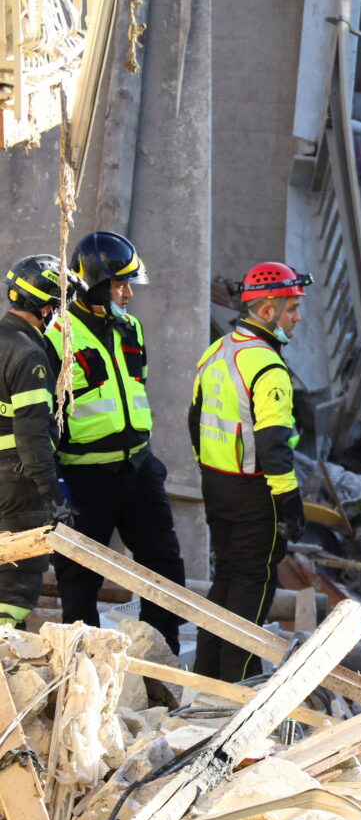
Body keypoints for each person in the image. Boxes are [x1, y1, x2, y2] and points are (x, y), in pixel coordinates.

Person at [45, 232, 184, 653]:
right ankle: (83, 670)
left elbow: (134, 392)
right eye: (119, 284)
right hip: (85, 477)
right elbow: (43, 416)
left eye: (129, 283)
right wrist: (55, 484)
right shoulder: (57, 335)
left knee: (164, 568)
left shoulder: (131, 328)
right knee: (79, 577)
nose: (128, 294)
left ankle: (163, 661)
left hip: (139, 470)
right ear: (92, 284)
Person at [189, 262, 311, 681]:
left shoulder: (218, 351)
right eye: (292, 309)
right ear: (266, 311)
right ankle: (239, 683)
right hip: (254, 491)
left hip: (218, 483)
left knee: (226, 577)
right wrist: (288, 501)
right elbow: (275, 444)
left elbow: (195, 420)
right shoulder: (267, 367)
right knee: (253, 585)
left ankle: (209, 674)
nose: (298, 317)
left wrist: (212, 471)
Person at [0, 256, 76, 628]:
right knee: (16, 583)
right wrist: (52, 493)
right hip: (16, 486)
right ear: (47, 308)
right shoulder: (30, 355)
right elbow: (32, 433)